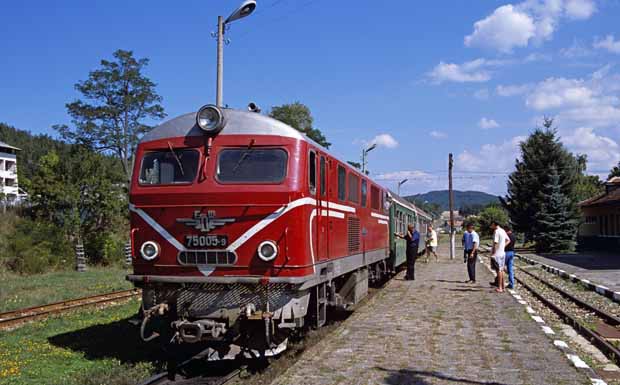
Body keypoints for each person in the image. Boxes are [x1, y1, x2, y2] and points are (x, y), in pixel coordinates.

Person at [490, 221, 510, 293]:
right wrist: (502, 247)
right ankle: (503, 287)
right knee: (501, 270)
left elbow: (495, 242)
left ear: (495, 225)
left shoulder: (496, 232)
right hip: (502, 253)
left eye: (492, 225)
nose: (491, 226)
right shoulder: (503, 231)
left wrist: (493, 253)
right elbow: (508, 240)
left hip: (497, 254)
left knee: (498, 270)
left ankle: (500, 287)